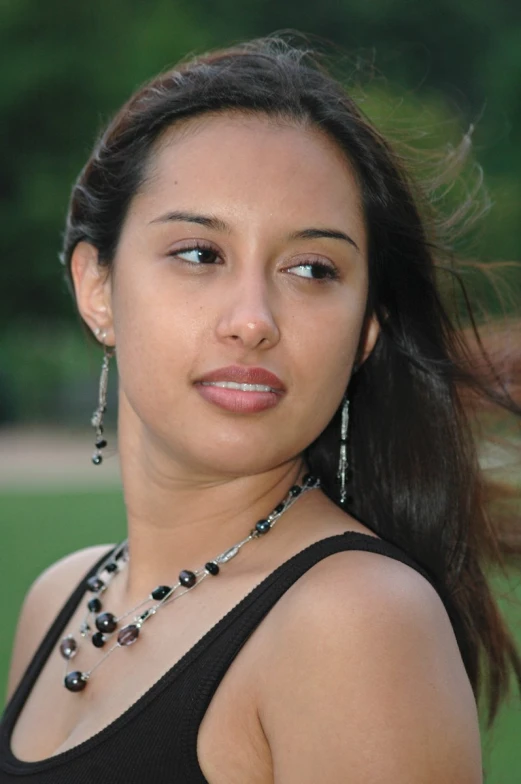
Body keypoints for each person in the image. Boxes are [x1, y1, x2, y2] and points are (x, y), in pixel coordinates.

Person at [1, 37, 519, 783]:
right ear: (98, 289)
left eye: (312, 269)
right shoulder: (60, 601)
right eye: (199, 254)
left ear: (364, 330)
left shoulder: (354, 622)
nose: (253, 319)